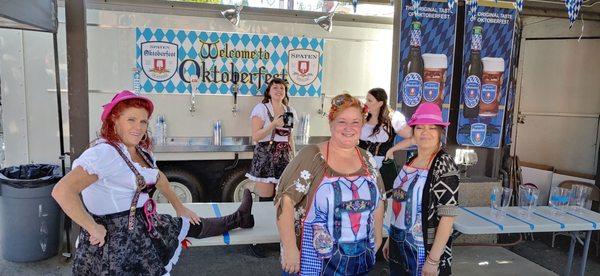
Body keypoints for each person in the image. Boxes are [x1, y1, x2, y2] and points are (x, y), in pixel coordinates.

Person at [52, 90, 254, 275]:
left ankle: (240, 218)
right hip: (116, 241)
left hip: (146, 224)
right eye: (131, 119)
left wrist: (180, 207)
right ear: (115, 120)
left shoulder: (141, 151)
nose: (138, 127)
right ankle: (238, 218)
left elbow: (159, 178)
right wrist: (91, 227)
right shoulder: (104, 153)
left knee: (188, 224)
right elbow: (62, 191)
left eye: (143, 122)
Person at [275, 93, 386, 275]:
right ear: (331, 123)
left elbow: (380, 199)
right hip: (312, 263)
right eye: (342, 121)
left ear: (362, 124)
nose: (349, 128)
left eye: (355, 122)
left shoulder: (367, 159)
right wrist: (289, 249)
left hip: (359, 261)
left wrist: (377, 238)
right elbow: (284, 201)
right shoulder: (311, 156)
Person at [382, 103, 460, 276]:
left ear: (440, 132)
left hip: (423, 250)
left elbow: (447, 216)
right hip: (397, 241)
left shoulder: (444, 164)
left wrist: (433, 261)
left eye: (432, 128)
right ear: (414, 132)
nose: (425, 132)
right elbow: (399, 203)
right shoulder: (412, 159)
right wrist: (391, 237)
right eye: (420, 127)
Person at [246, 77, 297, 202]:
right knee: (266, 194)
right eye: (275, 87)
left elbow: (290, 137)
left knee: (283, 195)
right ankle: (263, 219)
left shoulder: (289, 111)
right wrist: (273, 124)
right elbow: (256, 136)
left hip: (284, 156)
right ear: (269, 91)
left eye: (282, 88)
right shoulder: (261, 108)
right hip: (266, 154)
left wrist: (294, 157)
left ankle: (279, 220)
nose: (279, 90)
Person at [359, 88, 413, 191]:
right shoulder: (361, 117)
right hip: (360, 166)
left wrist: (392, 150)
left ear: (380, 103)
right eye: (366, 100)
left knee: (384, 199)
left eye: (370, 100)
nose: (366, 103)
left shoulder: (393, 119)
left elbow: (413, 138)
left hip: (384, 168)